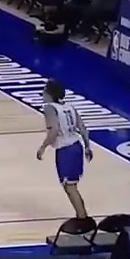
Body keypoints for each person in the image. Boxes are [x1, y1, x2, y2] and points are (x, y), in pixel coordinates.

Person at [36, 79, 93, 219]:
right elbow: (82, 128)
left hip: (65, 150)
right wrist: (87, 147)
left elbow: (54, 130)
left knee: (70, 187)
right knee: (72, 186)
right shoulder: (69, 107)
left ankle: (82, 217)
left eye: (44, 91)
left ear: (49, 94)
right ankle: (81, 215)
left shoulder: (49, 108)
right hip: (77, 146)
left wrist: (43, 147)